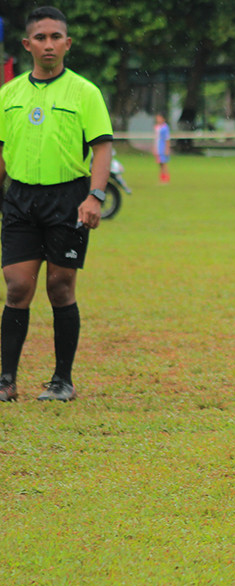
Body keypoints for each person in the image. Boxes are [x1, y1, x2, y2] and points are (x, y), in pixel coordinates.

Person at [0, 6, 113, 403]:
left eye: (56, 37)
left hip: (68, 198)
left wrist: (95, 196)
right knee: (17, 286)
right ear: (26, 44)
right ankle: (6, 380)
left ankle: (62, 380)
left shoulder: (85, 92)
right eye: (41, 38)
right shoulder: (8, 95)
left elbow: (102, 147)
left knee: (60, 287)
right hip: (20, 198)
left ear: (68, 43)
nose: (48, 44)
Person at [154, 113, 171, 183]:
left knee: (164, 163)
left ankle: (166, 179)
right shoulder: (157, 127)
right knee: (160, 164)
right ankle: (162, 178)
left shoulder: (165, 127)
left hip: (163, 147)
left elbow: (167, 139)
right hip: (158, 147)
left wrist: (167, 149)